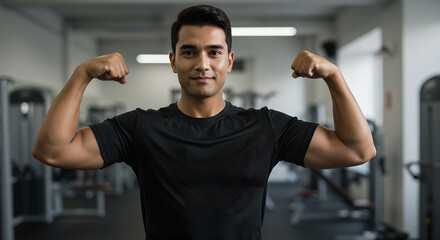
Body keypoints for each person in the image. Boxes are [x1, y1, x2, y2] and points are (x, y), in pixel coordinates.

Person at [32, 4, 376, 240]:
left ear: (228, 61)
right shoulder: (141, 129)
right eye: (189, 52)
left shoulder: (266, 127)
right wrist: (81, 75)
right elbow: (53, 151)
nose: (202, 63)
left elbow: (357, 149)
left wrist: (334, 76)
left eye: (213, 52)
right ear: (173, 61)